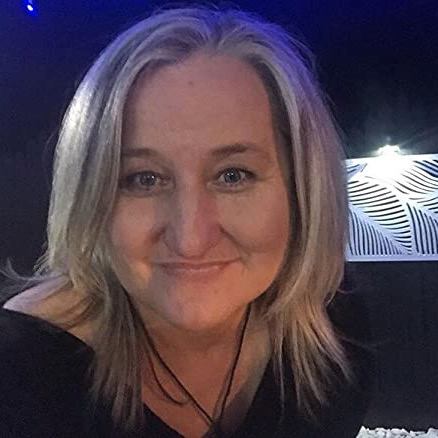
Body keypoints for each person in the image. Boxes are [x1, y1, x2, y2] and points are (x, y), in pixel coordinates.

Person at [0, 5, 374, 437]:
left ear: (302, 188)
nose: (191, 238)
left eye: (233, 176)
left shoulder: (335, 325)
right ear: (90, 197)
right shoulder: (20, 375)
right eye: (143, 179)